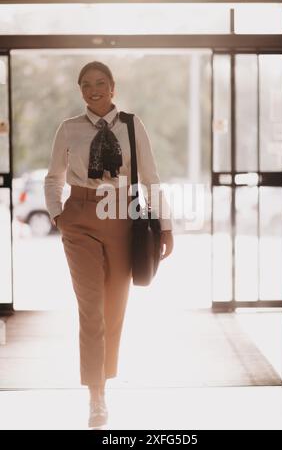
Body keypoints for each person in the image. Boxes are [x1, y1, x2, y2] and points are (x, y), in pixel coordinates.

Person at [44, 60, 174, 428]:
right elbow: (53, 177)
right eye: (85, 84)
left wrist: (165, 225)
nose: (93, 89)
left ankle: (104, 381)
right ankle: (96, 396)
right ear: (80, 90)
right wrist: (58, 215)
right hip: (80, 218)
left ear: (113, 87)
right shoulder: (68, 129)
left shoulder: (133, 125)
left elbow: (150, 178)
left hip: (122, 216)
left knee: (113, 310)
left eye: (100, 82)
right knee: (91, 308)